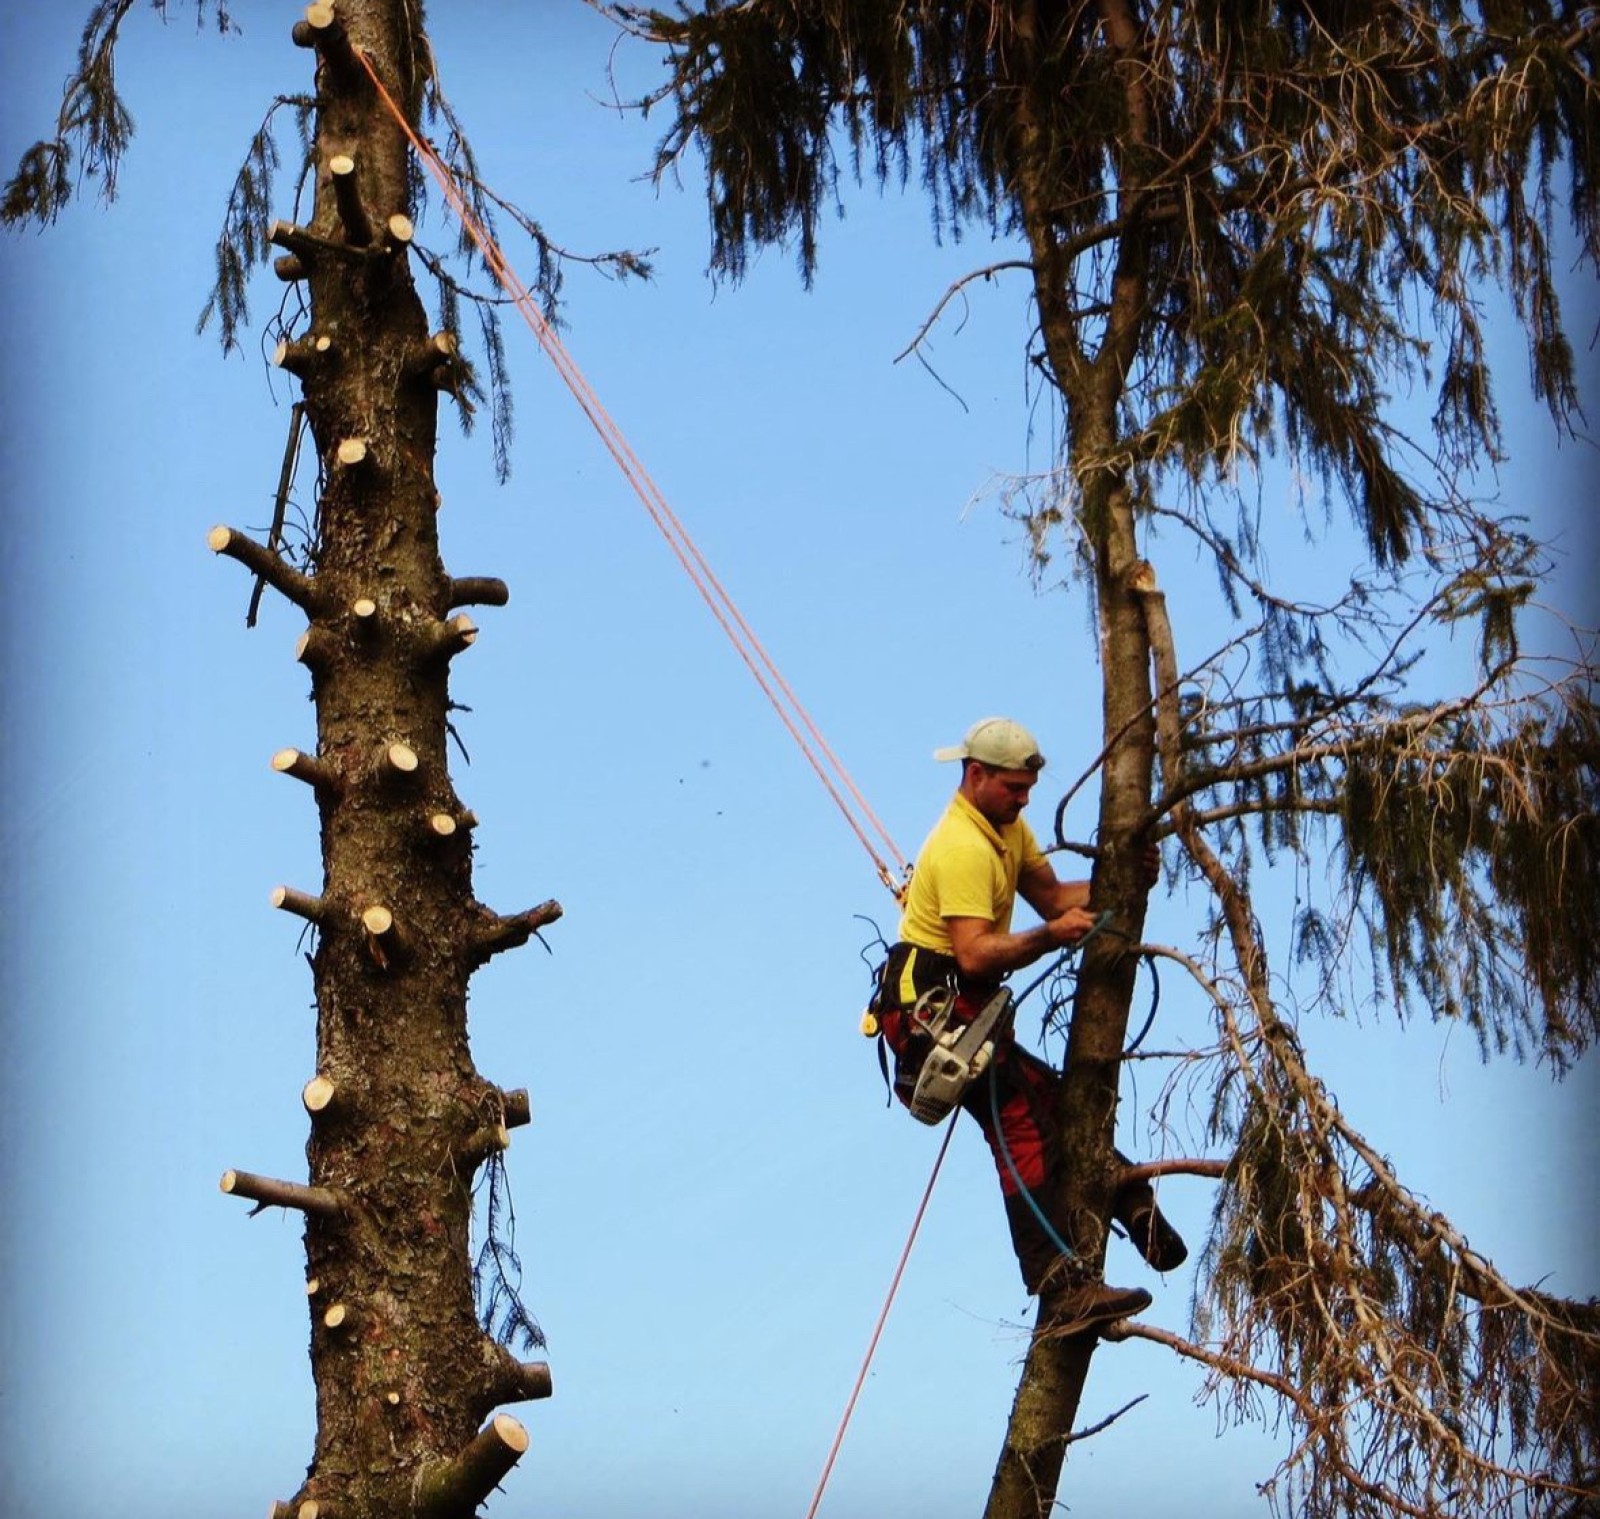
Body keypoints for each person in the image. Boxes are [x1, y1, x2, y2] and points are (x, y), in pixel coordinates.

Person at [871, 717, 1186, 1334]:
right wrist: (1048, 938)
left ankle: (1127, 1195)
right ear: (976, 775)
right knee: (1019, 1121)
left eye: (1028, 789)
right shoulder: (961, 847)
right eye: (1014, 788)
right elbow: (974, 955)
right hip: (930, 1010)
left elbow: (1052, 897)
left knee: (1056, 1101)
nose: (1023, 800)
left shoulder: (1006, 830)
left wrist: (1121, 879)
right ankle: (1059, 1284)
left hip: (965, 1006)